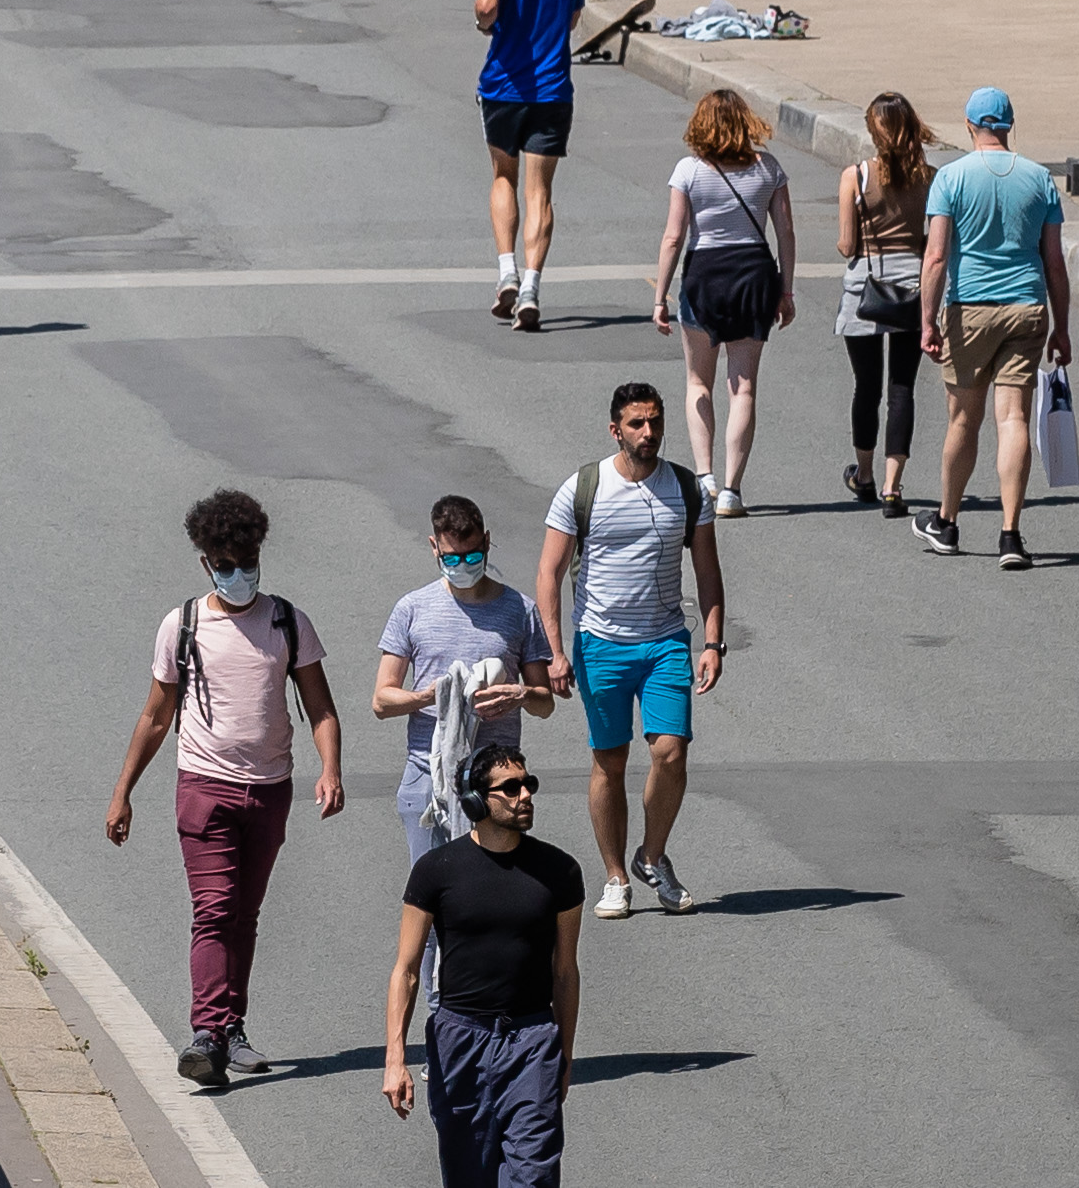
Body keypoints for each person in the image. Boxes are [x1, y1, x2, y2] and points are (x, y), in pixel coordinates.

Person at [104, 488, 344, 1086]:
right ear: (207, 563)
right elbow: (157, 715)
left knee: (245, 912)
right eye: (227, 566)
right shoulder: (182, 624)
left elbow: (320, 708)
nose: (240, 575)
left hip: (270, 791)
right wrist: (123, 791)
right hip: (203, 787)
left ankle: (230, 1029)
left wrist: (331, 768)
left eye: (248, 563)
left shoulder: (288, 621)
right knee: (214, 908)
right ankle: (207, 1031)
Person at [536, 381, 725, 921]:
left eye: (656, 422)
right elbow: (549, 574)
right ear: (615, 429)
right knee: (609, 763)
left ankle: (653, 854)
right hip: (601, 645)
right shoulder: (584, 488)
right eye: (637, 424)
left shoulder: (687, 490)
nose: (649, 433)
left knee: (671, 752)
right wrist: (555, 651)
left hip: (666, 642)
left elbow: (708, 572)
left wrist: (712, 642)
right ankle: (616, 876)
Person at [382, 745, 583, 1188]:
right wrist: (395, 1061)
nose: (524, 796)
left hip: (532, 1040)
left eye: (527, 785)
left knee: (534, 1175)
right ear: (476, 801)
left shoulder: (561, 872)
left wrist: (563, 1056)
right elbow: (407, 970)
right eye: (509, 788)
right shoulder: (436, 871)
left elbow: (565, 972)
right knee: (467, 1175)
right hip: (460, 1041)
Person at [919, 86, 1069, 564]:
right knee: (1013, 418)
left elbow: (937, 256)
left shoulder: (951, 178)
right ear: (1008, 126)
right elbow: (1054, 262)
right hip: (1027, 306)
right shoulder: (1040, 178)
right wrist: (1062, 326)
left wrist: (927, 319)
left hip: (970, 309)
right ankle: (1010, 533)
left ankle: (946, 521)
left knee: (964, 417)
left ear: (969, 126)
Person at [372, 496, 555, 863]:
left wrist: (519, 695)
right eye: (451, 558)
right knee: (432, 897)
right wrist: (430, 696)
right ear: (434, 547)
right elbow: (382, 700)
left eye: (472, 556)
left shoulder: (520, 610)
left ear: (486, 542)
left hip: (497, 781)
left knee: (495, 894)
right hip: (429, 773)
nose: (462, 566)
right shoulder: (412, 608)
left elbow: (545, 702)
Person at [648, 87, 795, 515]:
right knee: (743, 386)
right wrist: (786, 290)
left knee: (699, 382)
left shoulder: (689, 171)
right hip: (754, 273)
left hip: (704, 275)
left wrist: (660, 296)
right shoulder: (769, 169)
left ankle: (704, 477)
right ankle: (732, 489)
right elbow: (785, 232)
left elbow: (675, 236)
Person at [474, 0, 590, 330]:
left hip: (504, 86)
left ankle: (507, 273)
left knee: (504, 175)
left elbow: (486, 6)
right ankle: (531, 289)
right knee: (541, 191)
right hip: (553, 89)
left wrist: (487, 26)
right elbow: (573, 18)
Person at [836, 92, 935, 516]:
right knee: (902, 389)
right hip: (913, 287)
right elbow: (933, 241)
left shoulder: (856, 176)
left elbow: (846, 245)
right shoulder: (930, 177)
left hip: (866, 289)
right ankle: (894, 487)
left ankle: (865, 475)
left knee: (866, 386)